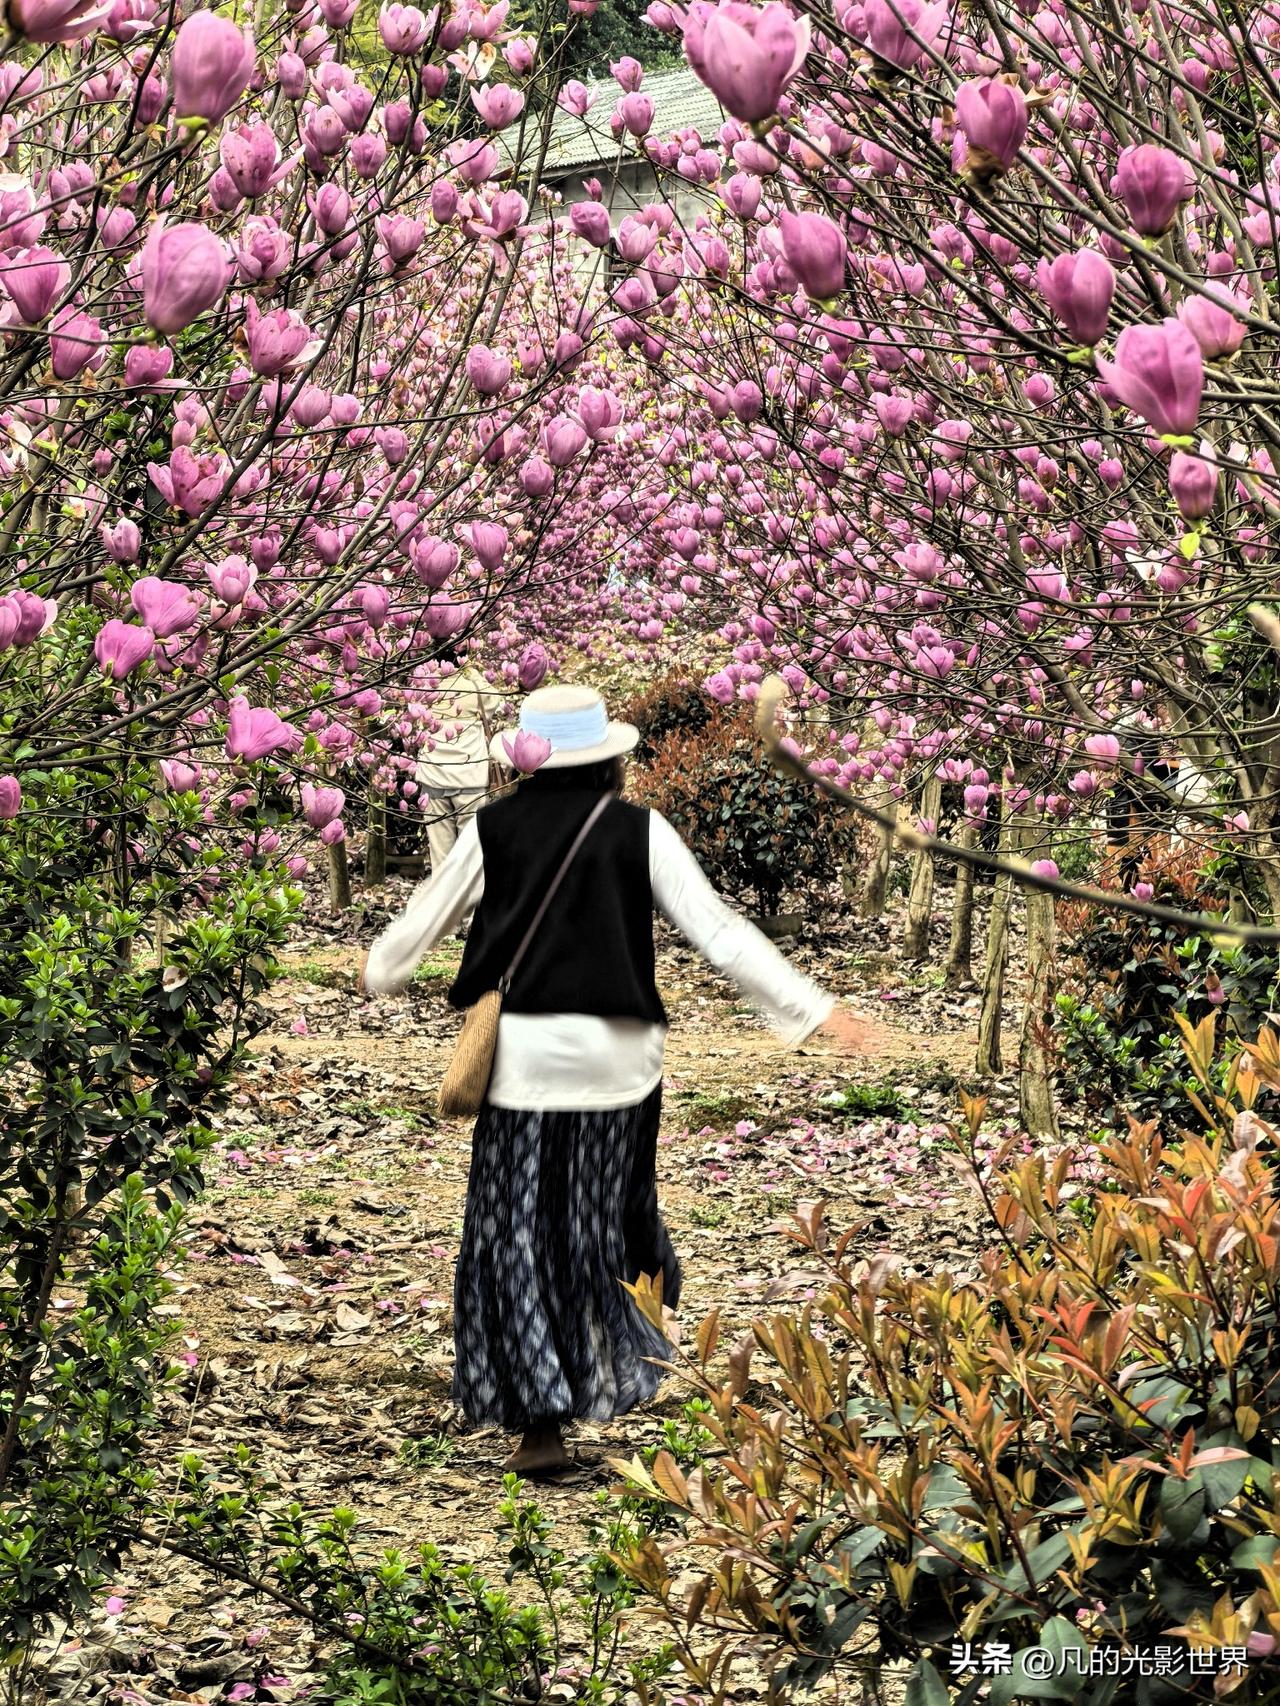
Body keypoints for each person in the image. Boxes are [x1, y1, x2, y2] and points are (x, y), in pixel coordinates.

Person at [360, 683, 867, 1477]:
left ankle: (541, 1421)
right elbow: (721, 935)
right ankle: (636, 1341)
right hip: (620, 1069)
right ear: (614, 761)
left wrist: (380, 970)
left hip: (524, 1068)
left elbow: (414, 932)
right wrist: (811, 1010)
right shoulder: (640, 830)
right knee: (602, 1225)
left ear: (520, 762)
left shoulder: (492, 830)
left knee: (520, 1235)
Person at [415, 646, 501, 889]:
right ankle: (471, 912)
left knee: (441, 855)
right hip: (469, 779)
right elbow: (493, 702)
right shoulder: (473, 684)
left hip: (433, 777)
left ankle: (446, 915)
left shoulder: (422, 684)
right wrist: (472, 671)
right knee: (471, 852)